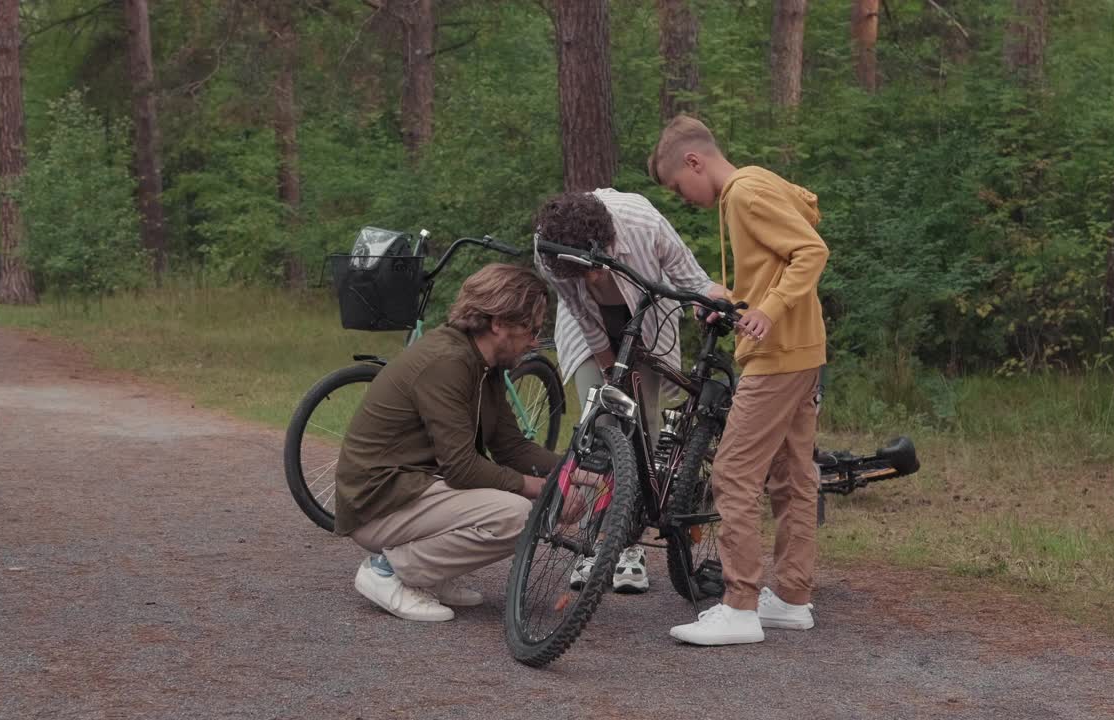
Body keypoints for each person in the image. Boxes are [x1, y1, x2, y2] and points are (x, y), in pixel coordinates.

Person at [648, 115, 830, 645]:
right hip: (802, 348)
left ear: (694, 162)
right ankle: (793, 599)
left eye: (681, 188)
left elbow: (809, 251)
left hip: (777, 356)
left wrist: (768, 312)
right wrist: (734, 301)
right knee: (794, 477)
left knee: (732, 473)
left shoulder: (745, 194)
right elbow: (776, 264)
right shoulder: (759, 183)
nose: (686, 198)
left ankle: (740, 605)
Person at [334, 264, 561, 622]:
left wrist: (575, 471)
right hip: (377, 501)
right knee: (519, 514)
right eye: (530, 329)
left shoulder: (484, 364)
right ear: (498, 323)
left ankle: (427, 575)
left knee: (523, 501)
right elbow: (461, 467)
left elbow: (511, 448)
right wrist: (541, 488)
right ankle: (388, 571)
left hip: (410, 489)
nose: (534, 341)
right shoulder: (449, 362)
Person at [533, 189, 726, 594]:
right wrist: (610, 373)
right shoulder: (548, 249)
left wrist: (717, 303)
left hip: (647, 315)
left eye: (593, 268)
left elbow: (695, 280)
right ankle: (593, 544)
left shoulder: (643, 223)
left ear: (606, 242)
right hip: (590, 327)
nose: (590, 278)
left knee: (644, 431)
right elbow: (583, 316)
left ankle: (629, 546)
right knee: (601, 423)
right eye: (578, 272)